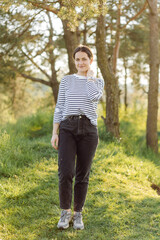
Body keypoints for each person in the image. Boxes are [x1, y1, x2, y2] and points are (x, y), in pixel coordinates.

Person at [51, 45, 104, 230]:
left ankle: (78, 213)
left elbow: (93, 97)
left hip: (89, 130)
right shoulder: (66, 81)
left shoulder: (97, 81)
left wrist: (90, 77)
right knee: (66, 172)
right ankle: (65, 212)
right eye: (78, 59)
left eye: (84, 59)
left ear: (90, 60)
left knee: (83, 174)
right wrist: (54, 132)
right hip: (68, 128)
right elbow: (59, 107)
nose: (81, 62)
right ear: (74, 61)